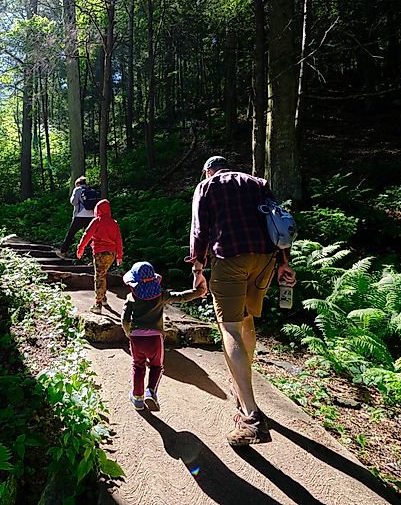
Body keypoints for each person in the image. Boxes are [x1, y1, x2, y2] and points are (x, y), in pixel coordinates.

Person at [187, 155, 296, 446]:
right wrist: (284, 263)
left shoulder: (206, 187)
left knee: (230, 328)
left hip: (230, 259)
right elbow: (278, 221)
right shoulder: (257, 183)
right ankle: (243, 387)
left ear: (208, 170)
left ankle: (250, 415)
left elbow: (200, 231)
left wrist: (198, 270)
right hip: (264, 260)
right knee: (246, 319)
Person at [121, 261, 207, 411]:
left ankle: (138, 398)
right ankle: (151, 391)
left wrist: (128, 332)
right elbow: (181, 297)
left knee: (138, 366)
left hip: (136, 338)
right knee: (156, 366)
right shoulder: (161, 295)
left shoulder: (131, 298)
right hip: (155, 339)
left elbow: (125, 319)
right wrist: (199, 291)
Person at [76, 199, 123, 314]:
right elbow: (119, 240)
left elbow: (87, 234)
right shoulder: (114, 223)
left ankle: (98, 304)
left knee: (99, 276)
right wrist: (119, 255)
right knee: (103, 274)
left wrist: (80, 248)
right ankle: (104, 298)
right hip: (111, 254)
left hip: (100, 253)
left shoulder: (97, 221)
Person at [58, 176, 95, 257]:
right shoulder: (91, 190)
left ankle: (63, 252)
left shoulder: (78, 189)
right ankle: (90, 256)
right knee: (89, 236)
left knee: (71, 234)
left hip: (80, 215)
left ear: (78, 183)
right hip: (91, 216)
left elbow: (74, 202)